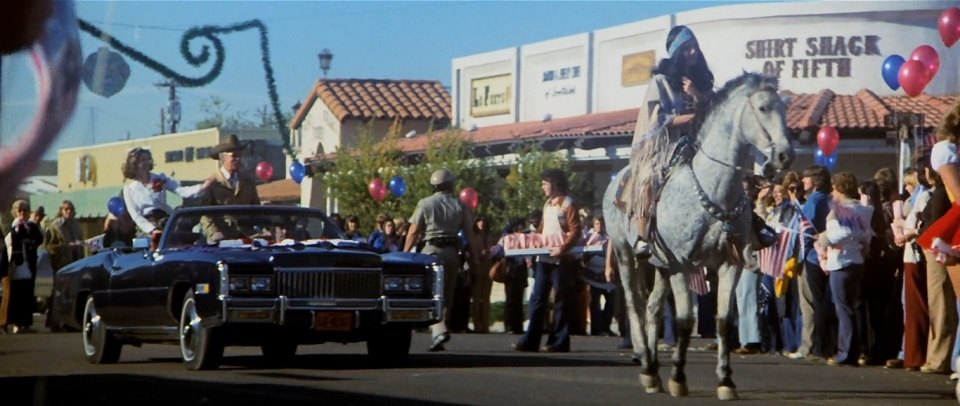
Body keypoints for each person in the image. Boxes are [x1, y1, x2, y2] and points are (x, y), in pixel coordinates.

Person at [623, 24, 715, 259]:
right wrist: (690, 116)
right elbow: (656, 120)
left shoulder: (702, 82)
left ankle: (748, 226)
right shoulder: (660, 82)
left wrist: (697, 95)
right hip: (665, 147)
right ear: (676, 52)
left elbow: (714, 112)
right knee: (648, 179)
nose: (693, 52)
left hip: (698, 144)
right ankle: (643, 236)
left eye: (695, 47)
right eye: (687, 49)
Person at [404, 168, 484, 352]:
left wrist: (404, 253)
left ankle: (438, 330)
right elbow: (470, 234)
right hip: (451, 252)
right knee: (447, 294)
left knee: (431, 292)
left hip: (431, 251)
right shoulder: (459, 205)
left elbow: (414, 231)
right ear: (451, 185)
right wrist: (475, 258)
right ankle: (439, 330)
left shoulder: (425, 204)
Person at [513, 168, 582, 353]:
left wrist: (563, 248)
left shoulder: (568, 203)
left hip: (562, 260)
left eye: (545, 183)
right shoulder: (548, 204)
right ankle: (531, 339)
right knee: (537, 298)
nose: (542, 187)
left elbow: (576, 230)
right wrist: (525, 241)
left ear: (555, 183)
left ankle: (559, 341)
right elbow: (542, 230)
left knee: (561, 300)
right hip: (544, 258)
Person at [819, 172, 873, 367]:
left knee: (843, 309)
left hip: (842, 262)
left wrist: (825, 237)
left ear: (841, 189)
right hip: (856, 261)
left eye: (835, 188)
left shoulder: (843, 210)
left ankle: (846, 352)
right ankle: (854, 350)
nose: (833, 192)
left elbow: (843, 233)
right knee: (850, 308)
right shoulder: (862, 209)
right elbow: (864, 235)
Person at [122, 148, 213, 238]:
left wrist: (202, 187)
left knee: (182, 232)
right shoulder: (129, 189)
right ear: (134, 164)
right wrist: (152, 230)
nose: (146, 163)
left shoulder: (160, 178)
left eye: (148, 159)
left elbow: (180, 190)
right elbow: (136, 215)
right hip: (146, 226)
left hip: (165, 219)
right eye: (142, 160)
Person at [200, 134, 261, 242]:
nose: (238, 159)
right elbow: (205, 214)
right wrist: (214, 232)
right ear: (222, 158)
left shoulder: (248, 182)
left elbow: (257, 210)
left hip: (247, 238)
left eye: (239, 155)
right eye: (233, 156)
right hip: (221, 238)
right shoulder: (212, 182)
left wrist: (263, 229)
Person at [1, 200, 43, 334]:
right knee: (11, 296)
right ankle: (7, 323)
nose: (23, 213)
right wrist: (18, 230)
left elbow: (39, 239)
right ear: (15, 212)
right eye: (20, 211)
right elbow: (8, 240)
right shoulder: (10, 226)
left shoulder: (31, 227)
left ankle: (24, 323)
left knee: (26, 294)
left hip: (28, 264)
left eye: (25, 210)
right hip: (13, 264)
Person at [470, 214, 497, 333]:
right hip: (477, 266)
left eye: (484, 221)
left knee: (486, 298)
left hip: (488, 267)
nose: (482, 223)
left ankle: (485, 324)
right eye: (479, 221)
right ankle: (477, 324)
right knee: (476, 298)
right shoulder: (473, 236)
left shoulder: (491, 236)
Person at [48, 200, 85, 271]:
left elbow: (81, 245)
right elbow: (49, 247)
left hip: (77, 262)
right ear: (61, 211)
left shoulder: (76, 225)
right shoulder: (55, 226)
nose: (69, 211)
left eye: (71, 209)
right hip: (62, 264)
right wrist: (66, 247)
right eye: (66, 209)